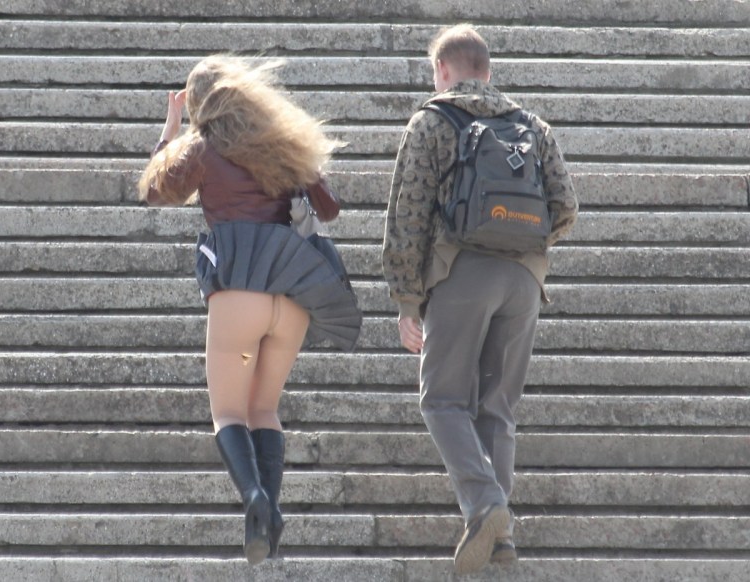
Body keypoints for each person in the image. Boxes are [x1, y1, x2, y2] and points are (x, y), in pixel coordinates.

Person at [138, 55, 362, 566]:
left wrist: (170, 128)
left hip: (241, 290)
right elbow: (329, 207)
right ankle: (273, 511)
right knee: (265, 410)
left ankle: (255, 499)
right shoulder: (280, 143)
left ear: (199, 106)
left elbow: (154, 190)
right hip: (293, 293)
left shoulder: (201, 146)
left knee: (228, 411)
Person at [381, 25, 578, 575]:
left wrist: (406, 298)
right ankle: (501, 535)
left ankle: (486, 505)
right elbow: (565, 205)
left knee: (443, 401)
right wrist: (524, 246)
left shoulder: (433, 120)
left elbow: (408, 215)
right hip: (523, 281)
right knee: (497, 407)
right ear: (487, 71)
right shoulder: (531, 126)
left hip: (460, 271)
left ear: (443, 70)